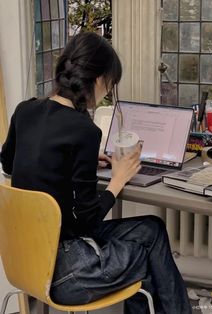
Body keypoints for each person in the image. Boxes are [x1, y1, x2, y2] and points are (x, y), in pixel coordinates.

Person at [0, 31, 192, 314]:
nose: (107, 93)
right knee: (149, 254)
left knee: (152, 229)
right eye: (110, 85)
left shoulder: (25, 110)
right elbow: (86, 222)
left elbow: (7, 164)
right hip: (66, 273)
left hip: (25, 260)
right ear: (99, 79)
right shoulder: (85, 131)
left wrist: (78, 163)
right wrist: (117, 181)